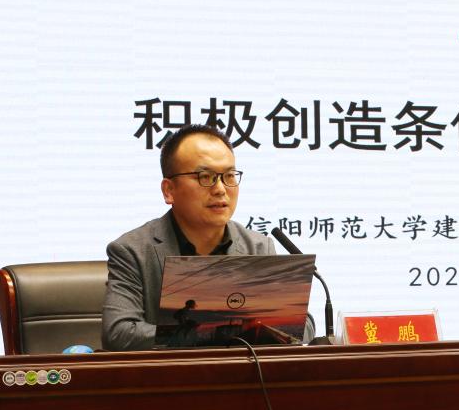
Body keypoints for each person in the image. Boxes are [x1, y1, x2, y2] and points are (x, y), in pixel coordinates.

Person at [102, 124, 306, 350]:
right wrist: (211, 333)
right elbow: (119, 333)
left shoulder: (258, 248)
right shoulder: (133, 251)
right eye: (205, 176)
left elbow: (302, 328)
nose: (220, 189)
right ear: (169, 190)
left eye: (229, 176)